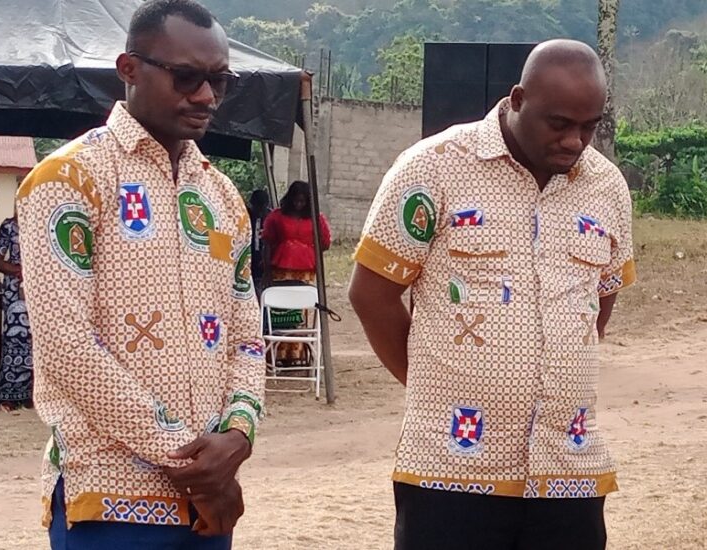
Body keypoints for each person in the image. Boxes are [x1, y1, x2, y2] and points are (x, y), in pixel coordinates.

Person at [348, 39, 635, 550]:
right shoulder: (431, 168)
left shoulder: (607, 186)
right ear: (518, 99)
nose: (575, 141)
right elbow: (371, 293)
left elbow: (599, 301)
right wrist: (433, 385)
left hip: (569, 468)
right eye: (559, 123)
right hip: (449, 470)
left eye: (589, 127)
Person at [14, 1, 264, 547]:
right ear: (129, 69)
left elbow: (247, 336)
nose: (205, 96)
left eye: (218, 81)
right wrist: (188, 456)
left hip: (209, 498)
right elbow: (66, 347)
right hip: (109, 496)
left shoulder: (221, 196)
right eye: (186, 77)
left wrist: (238, 437)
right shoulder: (69, 181)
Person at [261, 180, 330, 366]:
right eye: (296, 200)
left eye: (302, 201)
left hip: (305, 271)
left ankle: (296, 355)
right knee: (280, 311)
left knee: (298, 312)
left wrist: (305, 248)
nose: (299, 204)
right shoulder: (276, 216)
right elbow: (267, 241)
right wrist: (266, 270)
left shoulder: (317, 218)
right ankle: (277, 356)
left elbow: (325, 243)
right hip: (280, 269)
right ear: (290, 199)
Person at [0, 207, 34, 410]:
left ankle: (33, 396)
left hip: (42, 288)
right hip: (15, 289)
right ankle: (9, 395)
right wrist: (19, 271)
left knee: (39, 341)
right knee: (13, 339)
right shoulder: (8, 226)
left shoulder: (46, 224)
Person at [247, 189, 271, 296]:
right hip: (250, 256)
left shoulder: (270, 218)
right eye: (256, 207)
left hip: (266, 258)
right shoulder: (247, 217)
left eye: (262, 207)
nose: (259, 211)